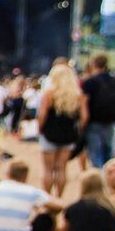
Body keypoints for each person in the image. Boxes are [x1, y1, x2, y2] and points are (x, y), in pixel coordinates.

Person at [35, 62, 82, 195]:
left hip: (50, 133)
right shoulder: (77, 95)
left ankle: (46, 197)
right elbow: (83, 117)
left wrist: (40, 129)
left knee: (48, 169)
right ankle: (59, 197)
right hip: (69, 134)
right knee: (62, 168)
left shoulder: (49, 94)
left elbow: (42, 115)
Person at [79, 54, 115, 169]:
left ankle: (99, 180)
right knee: (108, 152)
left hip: (94, 121)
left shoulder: (90, 82)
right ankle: (108, 175)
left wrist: (83, 121)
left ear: (93, 65)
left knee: (95, 154)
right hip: (110, 121)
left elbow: (84, 103)